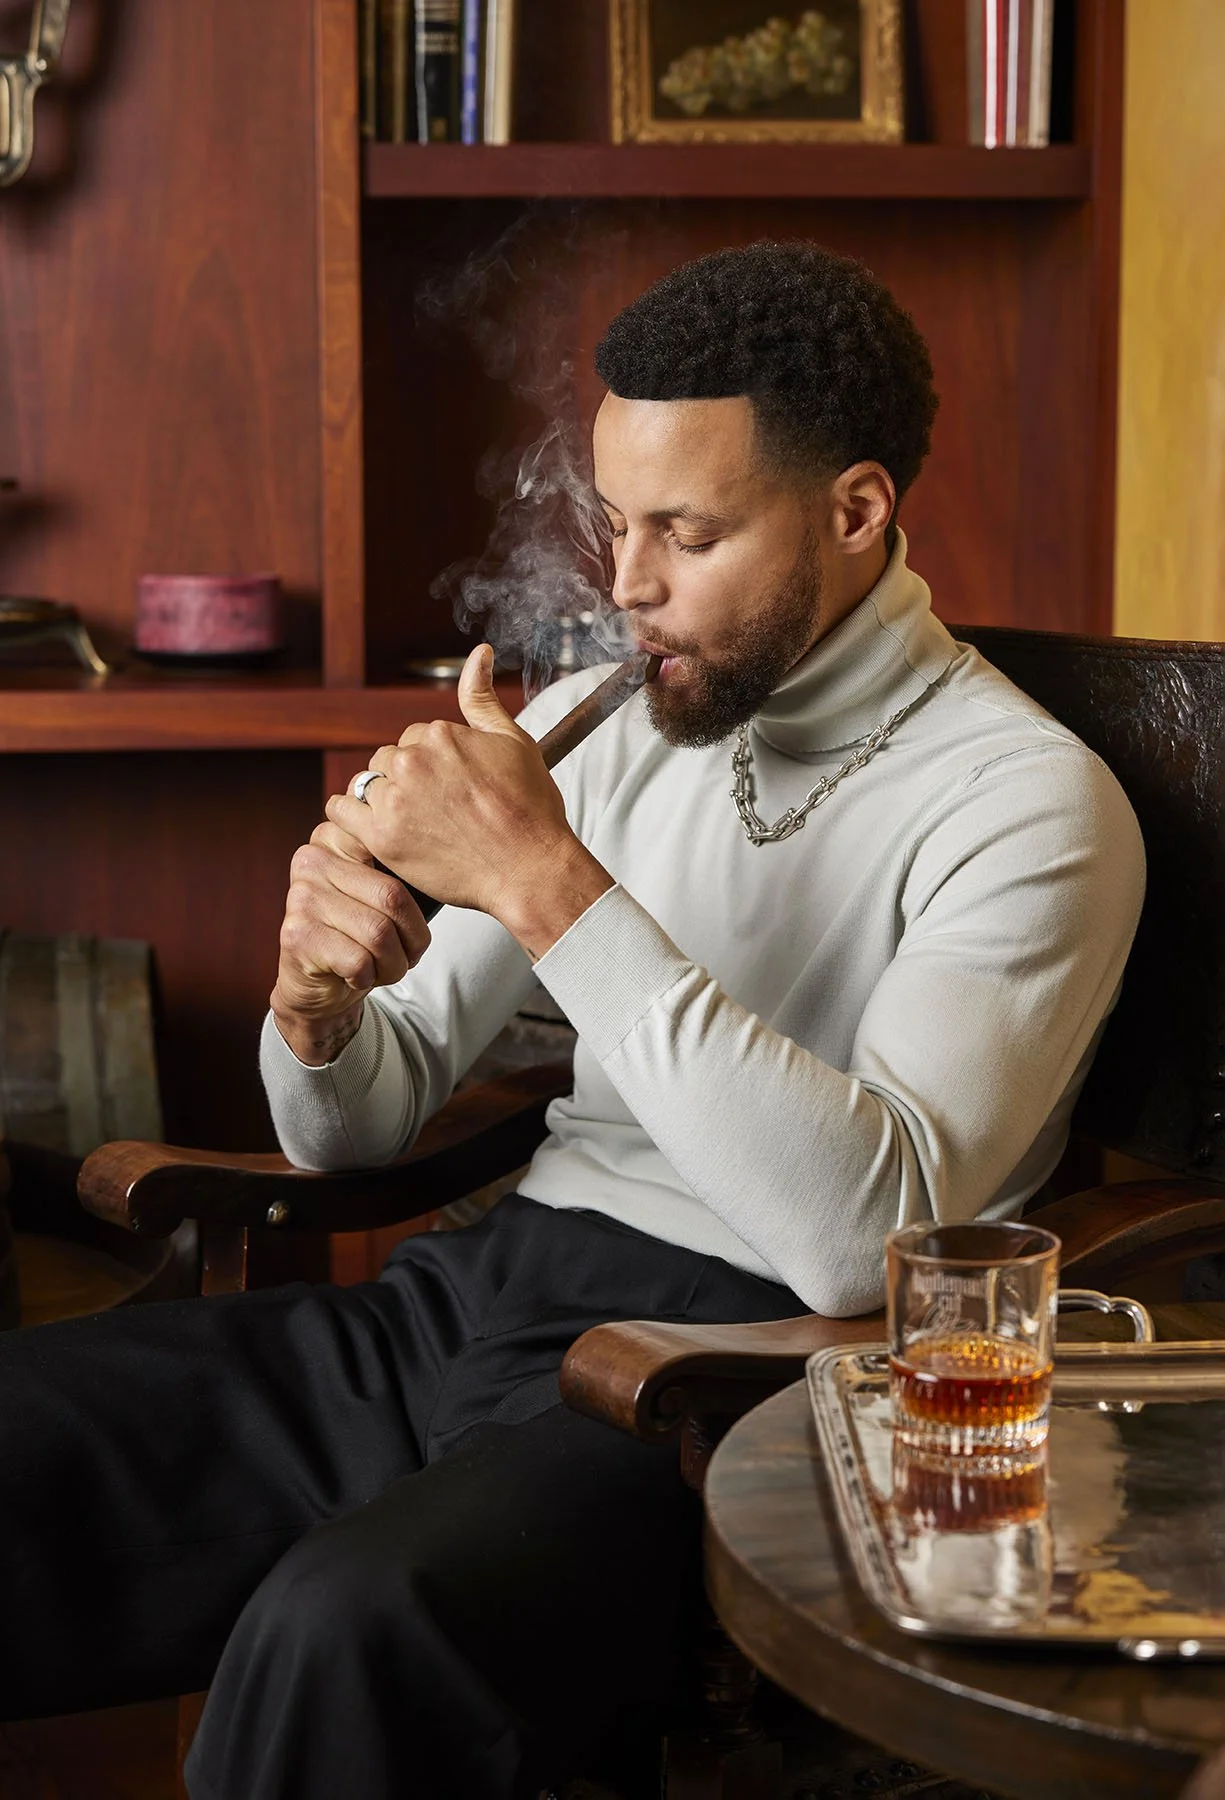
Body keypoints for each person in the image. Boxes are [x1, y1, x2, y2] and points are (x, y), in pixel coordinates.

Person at [0, 243, 1144, 1800]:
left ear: (858, 510)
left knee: (346, 1627)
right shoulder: (613, 726)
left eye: (689, 533)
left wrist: (547, 881)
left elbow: (858, 1239)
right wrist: (319, 1004)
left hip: (735, 1394)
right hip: (470, 1305)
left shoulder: (1027, 806)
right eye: (615, 523)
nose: (625, 586)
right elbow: (358, 1126)